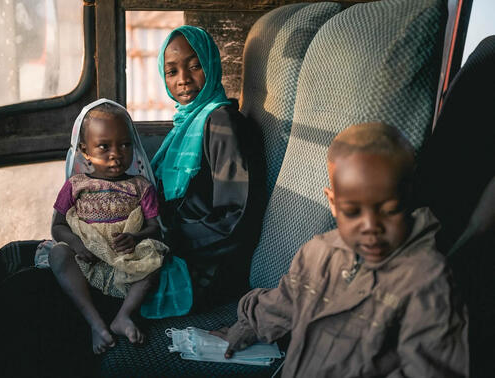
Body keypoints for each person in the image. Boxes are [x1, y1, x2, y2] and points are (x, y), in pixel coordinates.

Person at [212, 123, 469, 377]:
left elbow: (431, 367)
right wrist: (249, 325)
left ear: (407, 198)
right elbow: (285, 302)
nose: (370, 227)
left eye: (389, 210)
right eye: (353, 211)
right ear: (333, 203)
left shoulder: (427, 280)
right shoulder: (317, 252)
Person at [151, 25, 264, 310]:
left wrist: (168, 240)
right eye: (172, 72)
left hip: (207, 268)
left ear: (212, 65)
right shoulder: (184, 124)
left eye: (195, 66)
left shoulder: (223, 124)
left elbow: (235, 219)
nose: (184, 80)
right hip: (181, 248)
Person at [48, 99, 167, 354]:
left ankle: (123, 316)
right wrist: (77, 245)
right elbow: (58, 226)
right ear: (85, 150)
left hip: (125, 257)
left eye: (125, 144)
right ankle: (95, 323)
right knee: (57, 253)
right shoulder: (76, 185)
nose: (117, 154)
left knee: (155, 256)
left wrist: (136, 238)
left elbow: (155, 227)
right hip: (86, 257)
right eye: (104, 146)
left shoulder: (140, 187)